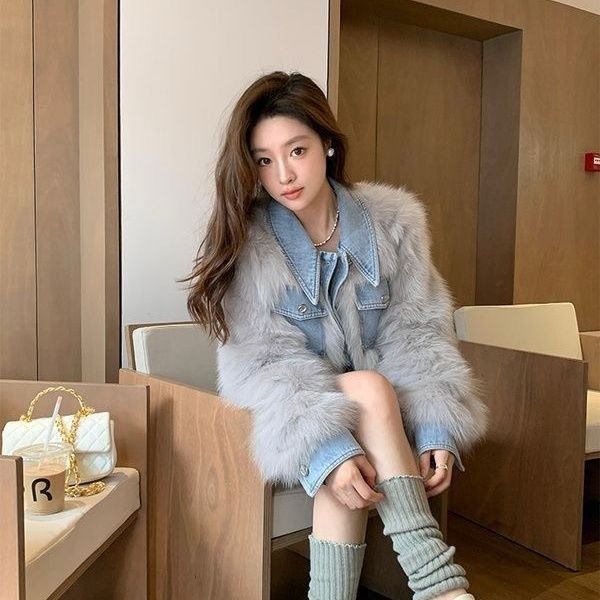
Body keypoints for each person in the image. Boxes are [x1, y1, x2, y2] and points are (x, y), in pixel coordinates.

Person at [186, 71, 488, 600]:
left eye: (297, 150)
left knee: (361, 420)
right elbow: (260, 366)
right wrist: (327, 446)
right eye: (263, 160)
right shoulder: (248, 245)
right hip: (286, 417)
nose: (284, 174)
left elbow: (420, 332)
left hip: (380, 417)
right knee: (356, 410)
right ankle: (440, 587)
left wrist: (437, 425)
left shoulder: (394, 222)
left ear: (327, 143)